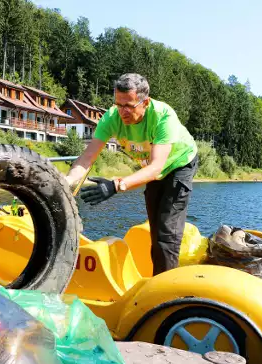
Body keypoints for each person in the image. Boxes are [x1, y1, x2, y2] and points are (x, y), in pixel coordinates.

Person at [65, 73, 198, 276]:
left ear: (146, 102)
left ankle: (166, 295)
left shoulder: (163, 116)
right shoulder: (111, 118)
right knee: (155, 230)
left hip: (179, 164)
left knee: (166, 234)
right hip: (153, 170)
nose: (123, 112)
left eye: (129, 106)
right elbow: (87, 158)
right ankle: (158, 280)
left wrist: (115, 185)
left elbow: (156, 168)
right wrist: (65, 182)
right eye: (119, 104)